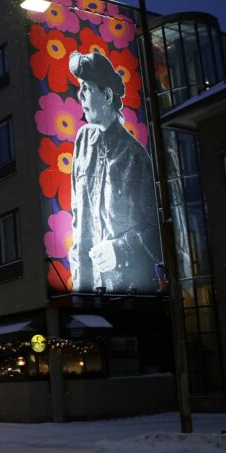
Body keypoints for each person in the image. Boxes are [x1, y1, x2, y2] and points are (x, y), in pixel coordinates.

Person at [68, 51, 161, 293]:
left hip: (131, 294)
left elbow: (159, 230)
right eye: (80, 88)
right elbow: (77, 212)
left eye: (87, 88)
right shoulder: (82, 140)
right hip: (87, 289)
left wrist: (121, 250)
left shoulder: (136, 157)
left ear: (107, 95)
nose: (80, 95)